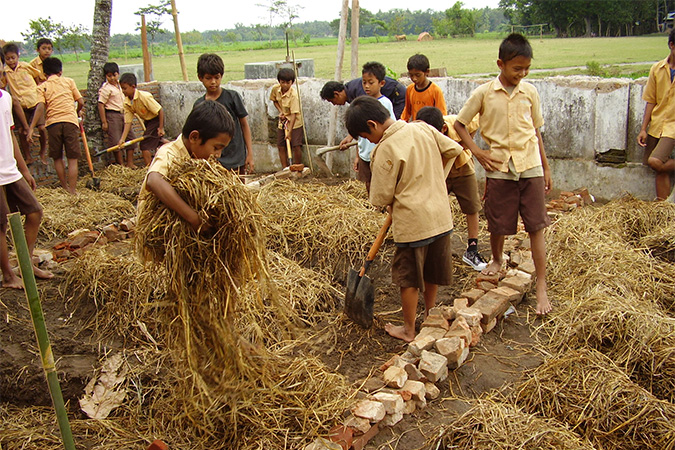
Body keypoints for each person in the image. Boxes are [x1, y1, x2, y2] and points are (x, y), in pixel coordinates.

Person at [346, 96, 464, 342]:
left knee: (409, 278)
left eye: (366, 136)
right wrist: (435, 177)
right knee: (432, 271)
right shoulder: (421, 127)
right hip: (440, 216)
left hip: (413, 223)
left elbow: (380, 196)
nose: (369, 141)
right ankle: (430, 315)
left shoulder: (385, 148)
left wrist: (396, 196)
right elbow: (455, 149)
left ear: (373, 125)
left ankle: (409, 330)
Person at [454, 33, 552, 315]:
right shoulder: (484, 93)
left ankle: (542, 285)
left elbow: (536, 132)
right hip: (499, 167)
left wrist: (545, 168)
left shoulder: (530, 92)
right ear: (500, 64)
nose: (522, 74)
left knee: (536, 225)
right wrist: (478, 152)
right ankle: (496, 259)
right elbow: (460, 125)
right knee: (498, 221)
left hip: (529, 163)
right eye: (516, 68)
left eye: (526, 69)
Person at [138, 100, 235, 233]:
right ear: (194, 137)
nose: (218, 154)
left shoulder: (197, 158)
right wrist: (194, 219)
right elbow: (154, 180)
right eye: (216, 148)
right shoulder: (169, 153)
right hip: (155, 233)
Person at [0, 48, 53, 288]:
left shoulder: (5, 98)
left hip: (10, 169)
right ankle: (9, 275)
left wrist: (24, 170)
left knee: (34, 212)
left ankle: (25, 261)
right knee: (1, 225)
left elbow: (10, 137)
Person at [416, 106, 487, 271]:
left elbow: (475, 122)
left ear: (443, 129)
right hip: (438, 171)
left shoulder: (457, 123)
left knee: (472, 208)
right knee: (432, 206)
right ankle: (430, 247)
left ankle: (472, 250)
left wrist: (463, 143)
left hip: (462, 167)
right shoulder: (417, 132)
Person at [339, 61, 395, 193]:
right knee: (368, 183)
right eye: (364, 82)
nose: (366, 86)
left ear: (381, 83)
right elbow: (361, 136)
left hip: (379, 154)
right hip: (365, 155)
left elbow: (390, 130)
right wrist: (358, 156)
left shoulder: (384, 104)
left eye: (371, 82)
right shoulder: (362, 104)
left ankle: (381, 207)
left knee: (381, 182)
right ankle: (373, 206)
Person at [193, 53, 254, 174]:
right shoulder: (199, 105)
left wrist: (250, 154)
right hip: (213, 163)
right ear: (200, 77)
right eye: (208, 78)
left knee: (238, 191)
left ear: (221, 76)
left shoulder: (232, 97)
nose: (213, 82)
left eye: (217, 77)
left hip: (236, 158)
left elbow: (244, 125)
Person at [33, 57, 84, 195]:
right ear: (60, 71)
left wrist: (32, 126)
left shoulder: (42, 87)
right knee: (72, 158)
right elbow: (80, 101)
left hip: (53, 123)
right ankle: (73, 191)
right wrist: (77, 111)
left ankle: (64, 188)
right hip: (70, 121)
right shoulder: (69, 82)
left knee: (57, 157)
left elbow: (40, 107)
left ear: (44, 73)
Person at [639, 28, 675, 200]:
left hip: (673, 127)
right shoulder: (658, 69)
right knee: (656, 168)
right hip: (658, 124)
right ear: (671, 45)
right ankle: (663, 211)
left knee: (656, 161)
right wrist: (643, 129)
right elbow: (651, 100)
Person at [1, 42, 47, 164]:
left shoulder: (25, 67)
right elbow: (3, 85)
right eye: (8, 59)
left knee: (42, 128)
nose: (11, 61)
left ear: (18, 56)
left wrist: (38, 89)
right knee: (21, 131)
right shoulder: (5, 72)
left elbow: (37, 76)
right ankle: (28, 156)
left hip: (34, 101)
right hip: (20, 105)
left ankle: (42, 152)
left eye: (13, 58)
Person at [118, 72, 164, 167]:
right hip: (148, 121)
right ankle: (175, 145)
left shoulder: (144, 97)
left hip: (156, 119)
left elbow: (160, 110)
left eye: (125, 88)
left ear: (133, 86)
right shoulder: (127, 103)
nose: (123, 91)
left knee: (144, 145)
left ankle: (149, 168)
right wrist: (122, 139)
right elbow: (128, 122)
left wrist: (161, 127)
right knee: (158, 141)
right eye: (121, 88)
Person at [97, 62, 138, 167]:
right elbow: (101, 104)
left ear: (118, 74)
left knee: (131, 139)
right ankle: (121, 165)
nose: (112, 78)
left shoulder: (122, 86)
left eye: (114, 75)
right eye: (109, 76)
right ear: (106, 76)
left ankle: (130, 163)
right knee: (116, 142)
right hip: (113, 115)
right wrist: (104, 122)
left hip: (124, 114)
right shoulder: (106, 89)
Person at [320, 74, 407, 119]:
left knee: (393, 125)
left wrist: (351, 137)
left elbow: (367, 114)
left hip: (397, 96)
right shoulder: (350, 93)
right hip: (389, 98)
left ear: (336, 94)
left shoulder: (358, 92)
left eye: (332, 101)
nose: (334, 104)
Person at [269, 68, 304, 168]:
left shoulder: (294, 96)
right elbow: (274, 101)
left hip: (295, 123)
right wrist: (281, 111)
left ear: (292, 82)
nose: (285, 85)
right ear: (279, 81)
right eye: (282, 82)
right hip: (283, 121)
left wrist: (289, 132)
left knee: (296, 145)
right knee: (281, 145)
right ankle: (285, 168)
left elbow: (293, 115)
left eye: (287, 83)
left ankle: (297, 167)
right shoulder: (276, 89)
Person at [401, 54, 447, 122]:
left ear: (427, 72)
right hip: (416, 127)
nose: (414, 79)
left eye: (418, 75)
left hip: (430, 128)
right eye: (411, 75)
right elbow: (407, 112)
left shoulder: (435, 90)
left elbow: (442, 115)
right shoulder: (410, 89)